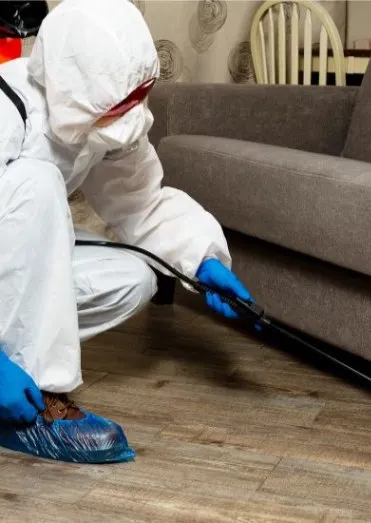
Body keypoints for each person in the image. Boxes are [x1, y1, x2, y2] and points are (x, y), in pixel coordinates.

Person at [0, 0, 255, 463]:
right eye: (120, 105)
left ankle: (20, 370)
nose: (131, 115)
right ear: (75, 85)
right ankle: (35, 409)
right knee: (37, 181)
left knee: (134, 277)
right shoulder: (7, 108)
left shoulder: (95, 112)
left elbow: (141, 202)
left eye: (139, 96)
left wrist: (202, 260)